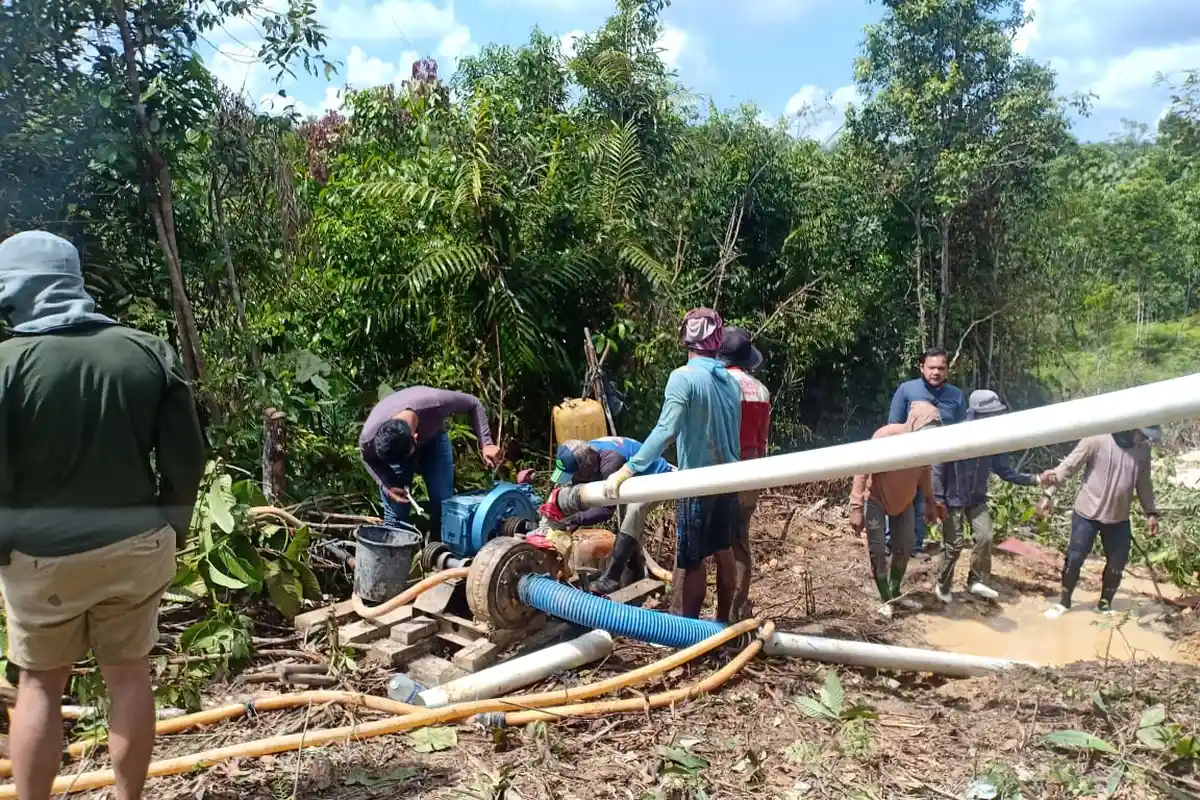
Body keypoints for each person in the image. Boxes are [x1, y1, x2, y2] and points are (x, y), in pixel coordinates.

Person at [0, 231, 206, 800]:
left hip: (42, 560)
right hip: (138, 545)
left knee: (39, 685)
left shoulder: (7, 364)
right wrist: (173, 523)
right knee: (130, 676)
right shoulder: (144, 349)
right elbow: (187, 455)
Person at [603, 308, 742, 620]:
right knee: (723, 550)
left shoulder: (683, 378)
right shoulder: (730, 383)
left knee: (692, 560)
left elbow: (666, 430)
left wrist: (629, 469)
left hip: (697, 484)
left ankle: (687, 634)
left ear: (685, 338)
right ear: (716, 340)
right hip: (732, 479)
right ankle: (724, 623)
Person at [1040, 426, 1161, 619]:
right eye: (1142, 435)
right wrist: (1048, 495)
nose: (1143, 440)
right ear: (1131, 428)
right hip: (1087, 514)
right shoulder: (1096, 439)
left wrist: (1151, 513)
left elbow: (1144, 483)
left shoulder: (1143, 449)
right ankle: (1064, 603)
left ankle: (1104, 605)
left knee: (1117, 563)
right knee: (1075, 558)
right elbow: (1068, 467)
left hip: (1119, 517)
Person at [931, 390, 1039, 603]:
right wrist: (937, 499)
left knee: (985, 537)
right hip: (952, 497)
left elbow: (1004, 470)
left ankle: (976, 581)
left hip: (976, 497)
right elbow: (937, 467)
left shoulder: (993, 439)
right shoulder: (956, 434)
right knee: (953, 545)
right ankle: (942, 586)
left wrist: (1034, 479)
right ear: (977, 414)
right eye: (991, 414)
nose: (995, 418)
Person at [360, 387, 503, 539]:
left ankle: (440, 546)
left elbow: (473, 403)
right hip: (400, 447)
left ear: (415, 437)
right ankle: (395, 556)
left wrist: (486, 443)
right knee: (396, 510)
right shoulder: (369, 438)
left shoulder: (435, 403)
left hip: (434, 439)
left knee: (442, 502)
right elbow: (367, 459)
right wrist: (387, 486)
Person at [849, 401, 944, 619]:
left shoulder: (926, 447)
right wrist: (856, 506)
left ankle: (895, 591)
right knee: (878, 550)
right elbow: (861, 469)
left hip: (905, 502)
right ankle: (884, 599)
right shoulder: (885, 436)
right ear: (913, 424)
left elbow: (924, 474)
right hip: (876, 499)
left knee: (904, 547)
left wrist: (931, 503)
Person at [550, 437, 675, 594]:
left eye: (574, 475)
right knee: (626, 525)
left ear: (584, 468)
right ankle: (634, 571)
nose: (573, 480)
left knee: (634, 512)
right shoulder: (587, 454)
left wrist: (573, 519)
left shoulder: (610, 464)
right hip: (630, 481)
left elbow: (605, 511)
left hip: (656, 478)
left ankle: (612, 578)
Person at [887, 347, 966, 557]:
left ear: (947, 370)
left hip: (938, 459)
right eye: (931, 367)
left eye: (941, 368)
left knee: (925, 498)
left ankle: (916, 545)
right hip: (907, 454)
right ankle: (889, 543)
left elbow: (961, 429)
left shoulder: (956, 396)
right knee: (901, 497)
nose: (936, 372)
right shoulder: (907, 390)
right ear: (922, 368)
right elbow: (894, 423)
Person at [717, 327, 771, 622]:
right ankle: (736, 611)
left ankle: (719, 616)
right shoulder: (760, 389)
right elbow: (762, 439)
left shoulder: (718, 385)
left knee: (714, 544)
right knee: (739, 542)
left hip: (721, 473)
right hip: (751, 474)